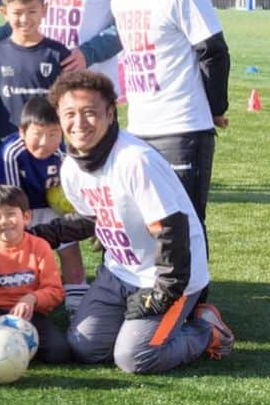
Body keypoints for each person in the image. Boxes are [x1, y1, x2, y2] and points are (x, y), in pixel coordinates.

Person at [31, 70, 233, 373]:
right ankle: (145, 325)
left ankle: (206, 331)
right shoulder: (72, 165)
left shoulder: (134, 160)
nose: (79, 123)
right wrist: (37, 235)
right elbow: (94, 218)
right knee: (84, 348)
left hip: (168, 275)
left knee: (134, 357)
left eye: (90, 113)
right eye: (69, 113)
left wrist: (164, 292)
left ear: (110, 113)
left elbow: (170, 231)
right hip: (119, 272)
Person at [104, 0, 229, 227]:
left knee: (184, 223)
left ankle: (194, 281)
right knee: (149, 221)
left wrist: (215, 107)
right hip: (140, 128)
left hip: (182, 128)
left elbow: (213, 51)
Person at [0, 96, 87, 311]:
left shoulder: (63, 154)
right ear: (22, 132)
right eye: (38, 134)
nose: (45, 142)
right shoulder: (11, 153)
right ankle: (14, 297)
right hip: (11, 208)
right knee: (19, 248)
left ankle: (76, 303)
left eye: (53, 134)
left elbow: (74, 192)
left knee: (70, 245)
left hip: (46, 206)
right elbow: (12, 201)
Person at [0, 183, 71, 365]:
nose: (4, 221)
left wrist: (32, 298)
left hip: (31, 315)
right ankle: (12, 350)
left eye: (10, 214)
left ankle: (20, 349)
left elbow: (55, 291)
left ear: (26, 217)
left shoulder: (40, 247)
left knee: (59, 353)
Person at [0, 0, 70, 157]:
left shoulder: (58, 54)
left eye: (32, 11)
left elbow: (67, 104)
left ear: (44, 10)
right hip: (8, 145)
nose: (25, 19)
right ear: (4, 13)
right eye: (17, 12)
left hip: (49, 146)